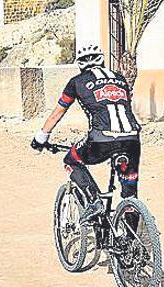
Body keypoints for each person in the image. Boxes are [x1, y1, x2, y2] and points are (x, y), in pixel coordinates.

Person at [30, 44, 141, 224]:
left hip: (100, 139)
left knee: (71, 160)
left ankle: (93, 202)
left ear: (80, 64)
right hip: (132, 139)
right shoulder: (120, 79)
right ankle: (133, 248)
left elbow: (58, 112)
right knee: (130, 194)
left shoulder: (76, 82)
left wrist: (41, 137)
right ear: (102, 59)